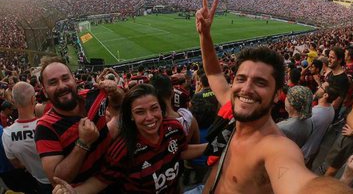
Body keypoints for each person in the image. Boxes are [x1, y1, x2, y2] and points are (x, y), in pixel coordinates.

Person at [195, 0, 353, 193]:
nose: (246, 88)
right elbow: (213, 73)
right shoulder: (236, 104)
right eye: (241, 78)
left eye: (260, 82)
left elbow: (301, 184)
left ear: (276, 95)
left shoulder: (277, 147)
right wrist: (205, 36)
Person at [52, 84, 207, 193]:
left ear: (161, 108)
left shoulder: (173, 128)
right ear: (131, 116)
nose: (150, 117)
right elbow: (100, 182)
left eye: (154, 108)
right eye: (140, 112)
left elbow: (181, 150)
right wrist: (73, 192)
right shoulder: (123, 149)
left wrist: (216, 147)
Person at [34, 57, 124, 185]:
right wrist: (83, 143)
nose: (62, 86)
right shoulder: (45, 127)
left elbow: (120, 103)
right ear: (45, 91)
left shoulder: (93, 96)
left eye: (65, 78)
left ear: (74, 79)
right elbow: (57, 180)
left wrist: (114, 91)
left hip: (119, 177)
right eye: (53, 82)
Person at [2, 82, 52, 193]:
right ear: (33, 99)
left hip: (39, 180)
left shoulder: (7, 134)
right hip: (61, 178)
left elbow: (16, 164)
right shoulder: (48, 125)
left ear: (13, 102)